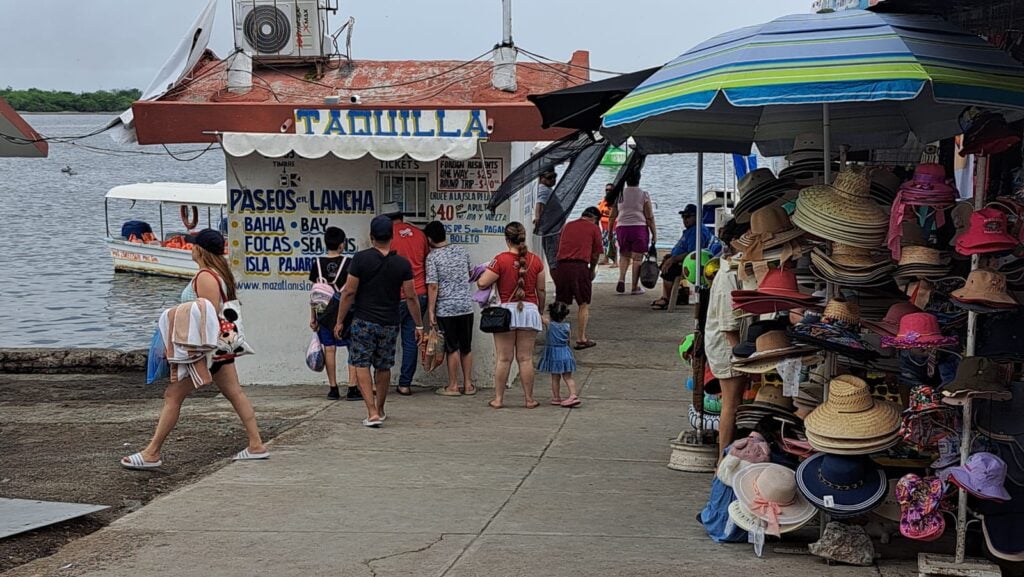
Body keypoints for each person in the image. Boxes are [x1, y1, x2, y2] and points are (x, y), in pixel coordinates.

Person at [121, 229, 267, 469]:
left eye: (193, 245)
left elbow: (205, 318)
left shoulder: (205, 276)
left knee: (173, 395)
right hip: (220, 349)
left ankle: (152, 452)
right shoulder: (220, 274)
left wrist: (186, 350)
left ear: (201, 250)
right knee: (235, 393)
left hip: (207, 350)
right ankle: (256, 444)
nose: (190, 248)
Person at [335, 215, 425, 428]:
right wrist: (419, 325)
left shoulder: (360, 259)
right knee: (383, 366)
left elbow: (349, 292)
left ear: (371, 236)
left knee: (361, 363)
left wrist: (339, 320)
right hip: (390, 322)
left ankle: (371, 411)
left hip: (364, 320)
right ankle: (382, 409)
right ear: (391, 237)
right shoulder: (401, 263)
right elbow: (411, 297)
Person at [477, 222, 546, 409]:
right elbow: (541, 289)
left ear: (507, 239)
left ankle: (498, 399)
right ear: (523, 237)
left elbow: (482, 283)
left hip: (505, 313)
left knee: (503, 358)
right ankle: (529, 399)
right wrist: (540, 310)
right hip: (529, 311)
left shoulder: (500, 260)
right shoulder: (536, 261)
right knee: (525, 358)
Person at [703, 220, 749, 459]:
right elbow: (728, 326)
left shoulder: (737, 269)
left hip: (733, 345)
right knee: (731, 404)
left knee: (734, 403)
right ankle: (722, 457)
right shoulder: (726, 277)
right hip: (727, 348)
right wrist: (745, 357)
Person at [382, 202, 430, 396]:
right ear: (401, 215)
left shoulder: (387, 237)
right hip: (419, 295)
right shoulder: (420, 234)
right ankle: (404, 384)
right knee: (411, 340)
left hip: (394, 296)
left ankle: (380, 381)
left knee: (386, 340)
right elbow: (426, 259)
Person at [423, 221, 476, 397]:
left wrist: (431, 311)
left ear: (429, 238)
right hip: (466, 306)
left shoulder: (432, 257)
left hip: (446, 308)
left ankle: (453, 386)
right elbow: (470, 274)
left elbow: (433, 286)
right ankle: (468, 385)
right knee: (466, 347)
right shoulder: (462, 251)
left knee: (452, 348)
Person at [308, 227, 361, 401]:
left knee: (329, 349)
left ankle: (333, 388)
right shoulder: (349, 263)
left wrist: (313, 317)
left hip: (324, 313)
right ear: (341, 245)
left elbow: (314, 293)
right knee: (352, 348)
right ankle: (352, 388)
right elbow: (353, 290)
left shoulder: (316, 263)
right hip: (345, 312)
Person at [552, 206, 603, 350]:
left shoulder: (568, 226)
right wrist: (592, 270)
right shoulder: (594, 229)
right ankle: (581, 338)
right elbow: (595, 254)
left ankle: (557, 337)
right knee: (583, 303)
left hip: (562, 266)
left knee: (561, 302)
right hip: (580, 267)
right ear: (595, 219)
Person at [650, 204, 714, 310]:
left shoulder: (697, 232)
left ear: (697, 217)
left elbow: (692, 253)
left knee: (670, 269)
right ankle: (672, 294)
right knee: (666, 262)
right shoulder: (691, 230)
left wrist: (674, 259)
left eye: (688, 216)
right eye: (683, 217)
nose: (685, 219)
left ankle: (667, 298)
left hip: (693, 263)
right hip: (683, 259)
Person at [609, 171, 656, 295]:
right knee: (637, 258)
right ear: (639, 179)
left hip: (622, 228)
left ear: (626, 181)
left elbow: (612, 216)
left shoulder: (619, 194)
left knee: (624, 255)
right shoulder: (643, 195)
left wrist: (609, 233)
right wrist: (654, 233)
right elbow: (649, 217)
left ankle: (621, 279)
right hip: (639, 228)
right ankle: (634, 287)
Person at [537, 302, 581, 408]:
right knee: (568, 377)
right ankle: (573, 394)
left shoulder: (549, 324)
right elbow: (568, 340)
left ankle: (556, 397)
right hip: (565, 352)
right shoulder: (567, 326)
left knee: (555, 378)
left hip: (554, 354)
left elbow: (540, 317)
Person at [597, 183, 617, 266]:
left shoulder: (617, 201)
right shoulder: (603, 201)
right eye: (606, 190)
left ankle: (616, 261)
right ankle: (606, 259)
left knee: (614, 243)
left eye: (610, 190)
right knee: (605, 243)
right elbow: (598, 212)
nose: (608, 191)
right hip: (605, 227)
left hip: (615, 227)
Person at [532, 169, 557, 234]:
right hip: (549, 228)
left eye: (554, 176)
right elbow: (539, 204)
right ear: (541, 178)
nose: (553, 179)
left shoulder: (541, 187)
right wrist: (538, 219)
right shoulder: (544, 189)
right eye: (549, 177)